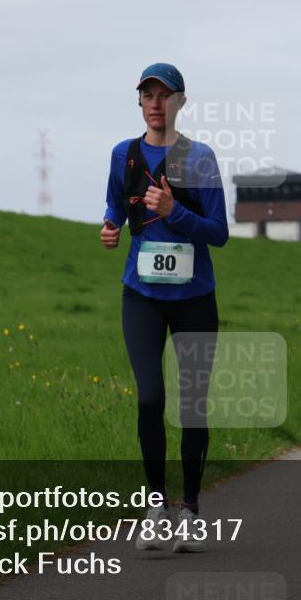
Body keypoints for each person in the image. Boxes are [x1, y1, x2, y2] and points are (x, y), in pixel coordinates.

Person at [100, 63, 228, 552]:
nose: (156, 102)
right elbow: (116, 205)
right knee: (151, 397)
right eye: (147, 94)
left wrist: (176, 212)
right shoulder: (124, 154)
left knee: (193, 404)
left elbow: (218, 232)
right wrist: (110, 228)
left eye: (165, 94)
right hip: (142, 294)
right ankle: (157, 506)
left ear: (180, 102)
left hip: (194, 297)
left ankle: (192, 510)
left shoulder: (199, 158)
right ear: (139, 102)